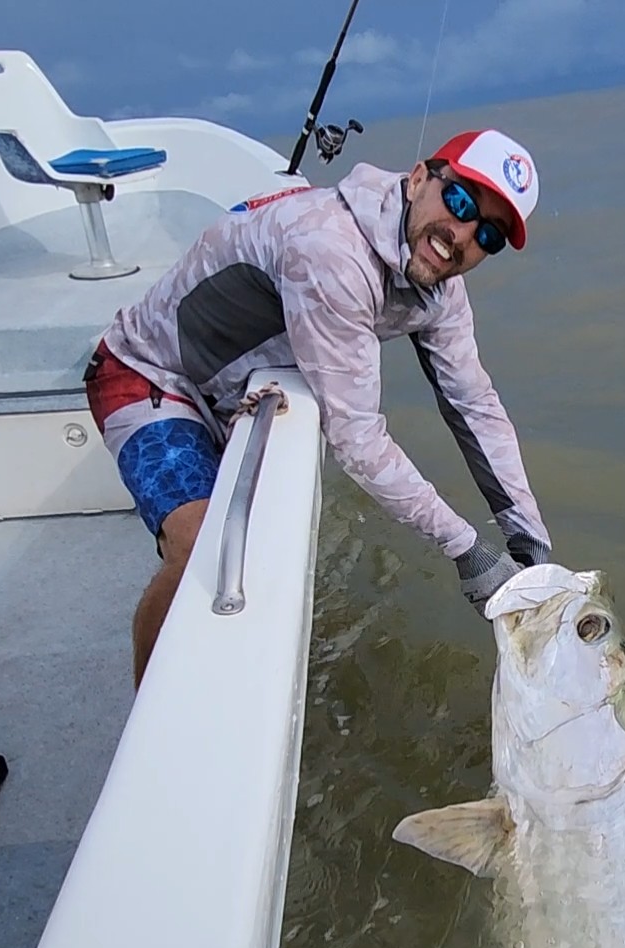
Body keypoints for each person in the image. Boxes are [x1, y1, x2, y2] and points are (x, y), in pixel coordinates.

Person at [84, 128, 553, 686]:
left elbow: (472, 403)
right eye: (460, 203)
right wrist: (468, 549)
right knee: (203, 555)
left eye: (489, 235)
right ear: (420, 177)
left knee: (260, 559)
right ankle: (152, 722)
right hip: (150, 375)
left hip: (242, 393)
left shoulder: (441, 289)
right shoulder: (331, 249)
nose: (462, 235)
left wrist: (531, 540)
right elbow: (355, 436)